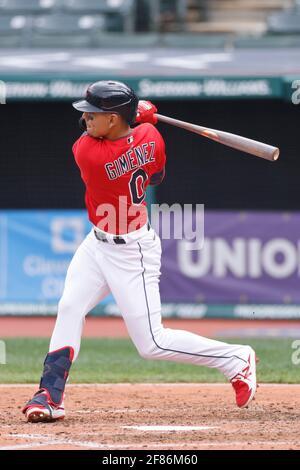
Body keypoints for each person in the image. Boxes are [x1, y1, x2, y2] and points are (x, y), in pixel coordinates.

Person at [22, 80, 257, 423]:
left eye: (94, 114)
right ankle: (49, 394)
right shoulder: (153, 137)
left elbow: (88, 137)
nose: (86, 118)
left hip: (133, 252)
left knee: (152, 344)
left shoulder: (88, 152)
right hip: (97, 243)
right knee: (70, 307)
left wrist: (139, 116)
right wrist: (141, 121)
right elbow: (157, 176)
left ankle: (235, 359)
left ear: (114, 119)